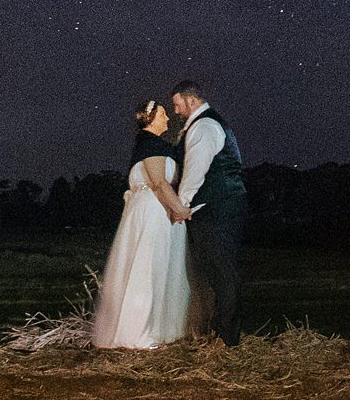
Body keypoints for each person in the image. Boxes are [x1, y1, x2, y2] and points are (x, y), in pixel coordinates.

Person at [89, 98, 191, 347]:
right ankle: (139, 332)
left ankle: (156, 329)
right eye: (163, 114)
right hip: (154, 211)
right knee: (149, 267)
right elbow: (158, 182)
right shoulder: (151, 144)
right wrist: (180, 210)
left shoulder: (150, 144)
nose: (168, 118)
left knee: (155, 266)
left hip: (151, 209)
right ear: (152, 118)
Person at [168, 78, 245, 344]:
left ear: (191, 100)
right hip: (217, 205)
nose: (175, 110)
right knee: (215, 271)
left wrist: (182, 205)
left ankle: (228, 339)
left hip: (217, 207)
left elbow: (195, 171)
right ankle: (219, 333)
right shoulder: (203, 124)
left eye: (177, 104)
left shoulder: (204, 125)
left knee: (222, 271)